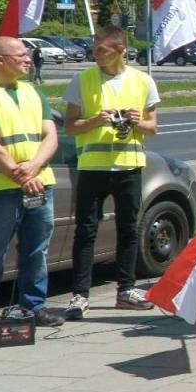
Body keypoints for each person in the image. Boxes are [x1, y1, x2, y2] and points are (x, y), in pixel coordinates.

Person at [0, 36, 66, 339]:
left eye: (27, 54)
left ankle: (34, 306)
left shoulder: (33, 93)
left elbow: (51, 137)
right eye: (20, 55)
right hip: (1, 189)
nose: (28, 59)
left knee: (36, 251)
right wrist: (22, 176)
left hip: (40, 185)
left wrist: (34, 168)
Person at [63, 25, 159, 319]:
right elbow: (69, 126)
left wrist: (136, 121)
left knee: (129, 229)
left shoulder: (143, 81)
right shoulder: (82, 79)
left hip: (128, 166)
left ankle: (125, 291)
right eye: (94, 48)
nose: (96, 55)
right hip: (92, 167)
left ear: (120, 50)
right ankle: (80, 295)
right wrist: (94, 121)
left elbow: (152, 127)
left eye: (102, 50)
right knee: (86, 230)